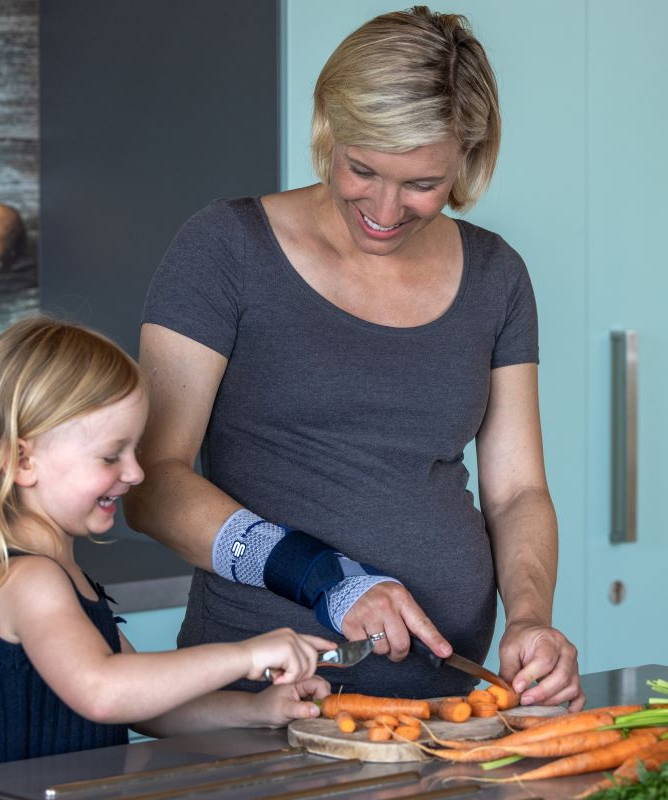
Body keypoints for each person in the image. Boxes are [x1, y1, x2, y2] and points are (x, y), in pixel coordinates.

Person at [125, 6, 585, 711]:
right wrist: (330, 579)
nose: (386, 208)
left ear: (468, 158)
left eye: (422, 184)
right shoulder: (224, 250)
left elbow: (518, 492)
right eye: (363, 169)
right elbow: (153, 485)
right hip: (263, 706)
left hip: (446, 708)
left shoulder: (496, 275)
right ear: (327, 129)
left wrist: (529, 618)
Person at [0, 316, 334, 765]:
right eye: (110, 456)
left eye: (134, 451)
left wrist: (255, 710)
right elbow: (104, 691)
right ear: (23, 461)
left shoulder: (65, 577)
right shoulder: (27, 580)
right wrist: (244, 656)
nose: (135, 473)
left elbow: (145, 705)